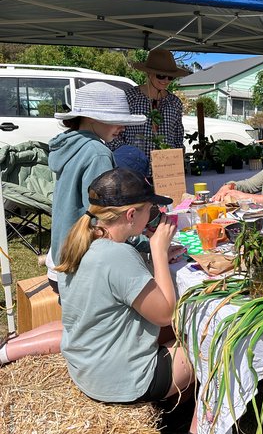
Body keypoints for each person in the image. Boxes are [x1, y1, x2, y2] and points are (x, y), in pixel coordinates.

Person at [53, 169, 196, 426]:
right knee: (208, 348)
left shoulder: (83, 241)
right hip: (121, 380)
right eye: (150, 211)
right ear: (131, 215)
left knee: (176, 333)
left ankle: (175, 409)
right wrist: (159, 252)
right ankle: (188, 422)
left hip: (88, 368)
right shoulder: (119, 256)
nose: (153, 217)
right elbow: (165, 314)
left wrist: (156, 259)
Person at [46, 82, 147, 292]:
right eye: (116, 121)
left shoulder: (70, 145)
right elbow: (105, 215)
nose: (122, 127)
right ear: (92, 118)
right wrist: (146, 243)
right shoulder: (97, 152)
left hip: (65, 252)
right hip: (86, 258)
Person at [108, 49, 191, 170]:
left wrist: (177, 162)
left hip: (166, 170)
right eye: (161, 76)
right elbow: (113, 133)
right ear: (149, 73)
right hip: (133, 168)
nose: (165, 81)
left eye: (170, 77)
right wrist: (127, 156)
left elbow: (178, 137)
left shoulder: (174, 102)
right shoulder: (129, 97)